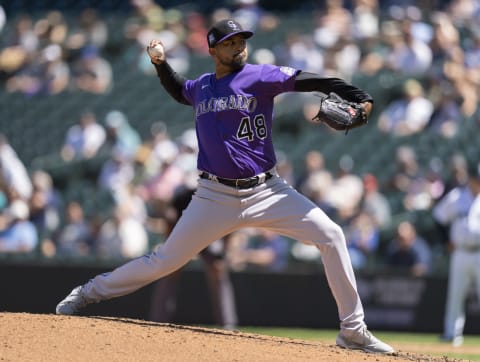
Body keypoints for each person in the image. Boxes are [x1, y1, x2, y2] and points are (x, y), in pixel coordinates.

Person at [56, 18, 394, 354]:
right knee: (163, 261)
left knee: (332, 235)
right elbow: (179, 89)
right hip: (213, 196)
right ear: (213, 49)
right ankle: (88, 293)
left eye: (242, 40)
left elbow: (311, 80)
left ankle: (353, 330)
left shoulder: (259, 76)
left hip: (267, 192)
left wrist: (359, 96)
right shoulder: (201, 86)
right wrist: (161, 65)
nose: (240, 46)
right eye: (231, 42)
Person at [432, 162, 480, 347]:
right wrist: (446, 242)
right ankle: (452, 334)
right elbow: (438, 217)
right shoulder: (457, 196)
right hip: (460, 252)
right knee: (455, 296)